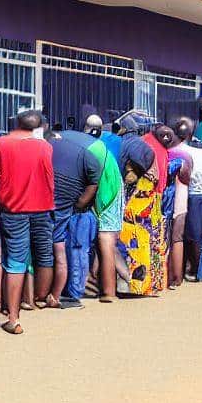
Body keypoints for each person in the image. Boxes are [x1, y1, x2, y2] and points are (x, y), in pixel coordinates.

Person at [0, 110, 54, 334]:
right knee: (44, 256)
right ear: (38, 126)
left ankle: (13, 317)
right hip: (42, 207)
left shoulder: (1, 144)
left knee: (16, 262)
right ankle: (41, 299)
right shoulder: (45, 147)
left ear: (16, 122)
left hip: (13, 208)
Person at [47, 126, 102, 307]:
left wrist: (78, 204)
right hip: (73, 205)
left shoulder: (50, 144)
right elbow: (94, 181)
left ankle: (52, 293)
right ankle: (64, 292)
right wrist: (78, 203)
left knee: (55, 248)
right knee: (65, 248)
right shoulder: (89, 151)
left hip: (64, 206)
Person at [71, 114, 123, 304]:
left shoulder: (89, 145)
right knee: (102, 240)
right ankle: (100, 285)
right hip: (111, 189)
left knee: (105, 240)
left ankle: (109, 291)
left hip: (109, 193)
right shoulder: (103, 142)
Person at [116, 113, 166, 296]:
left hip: (137, 202)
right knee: (152, 241)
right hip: (152, 200)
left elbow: (130, 176)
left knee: (135, 242)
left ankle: (137, 287)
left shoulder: (127, 144)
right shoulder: (151, 145)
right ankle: (152, 285)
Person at [175, 117, 202, 281]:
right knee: (200, 235)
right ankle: (199, 270)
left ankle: (196, 271)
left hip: (195, 196)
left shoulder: (186, 151)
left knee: (194, 235)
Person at [155, 124, 191, 289]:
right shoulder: (182, 156)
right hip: (177, 204)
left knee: (166, 241)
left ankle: (167, 277)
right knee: (174, 241)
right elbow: (186, 175)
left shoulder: (159, 154)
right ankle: (174, 278)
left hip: (165, 205)